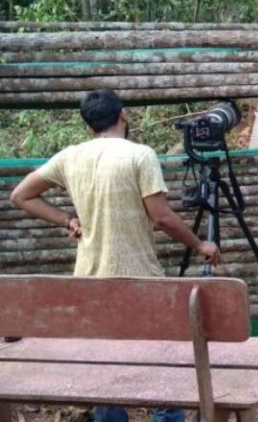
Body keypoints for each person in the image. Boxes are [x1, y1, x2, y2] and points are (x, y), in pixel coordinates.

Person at [11, 89, 221, 422]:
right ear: (123, 115)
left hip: (89, 283)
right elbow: (161, 216)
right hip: (139, 282)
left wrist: (67, 219)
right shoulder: (139, 155)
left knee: (106, 373)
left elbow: (21, 195)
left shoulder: (70, 156)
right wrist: (199, 245)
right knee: (161, 371)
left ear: (87, 126)